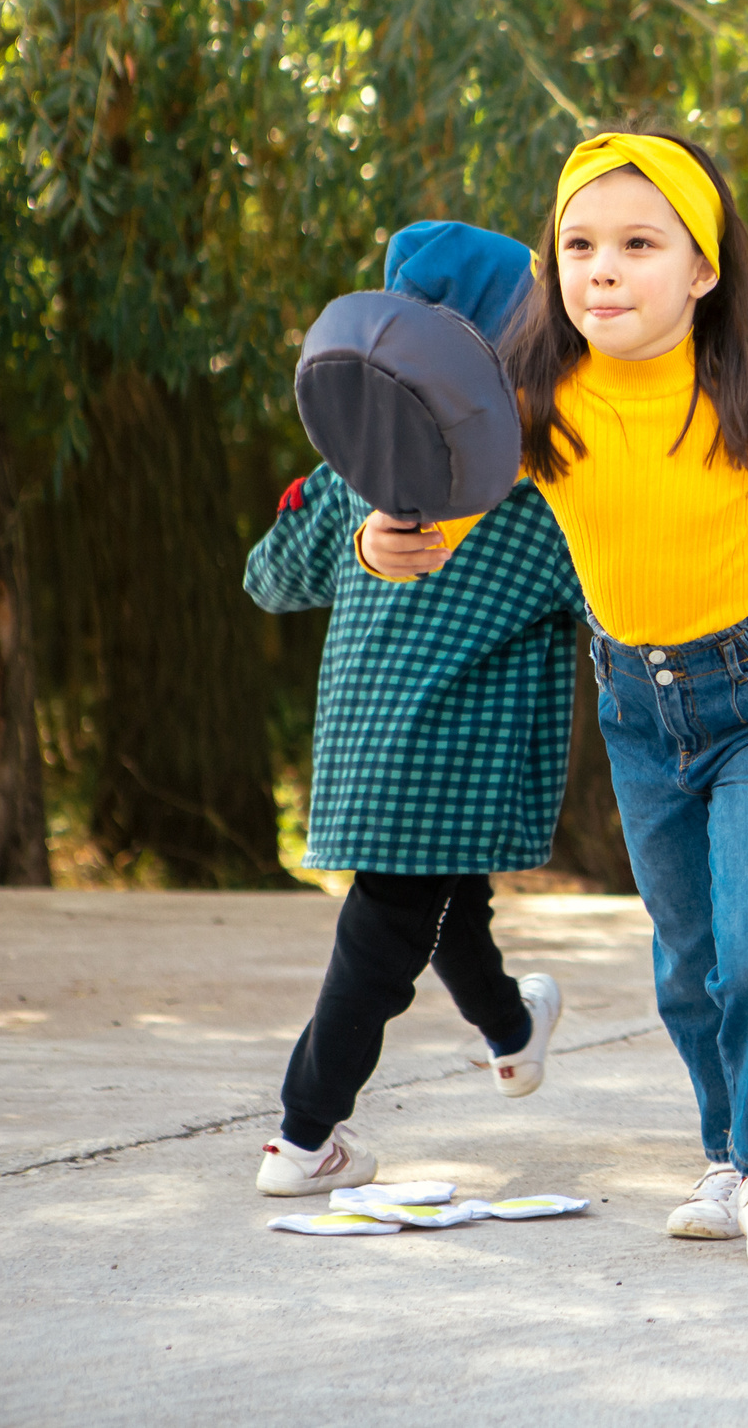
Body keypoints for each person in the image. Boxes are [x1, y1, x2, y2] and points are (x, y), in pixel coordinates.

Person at [378, 132, 748, 1270]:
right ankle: (727, 1154)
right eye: (579, 245)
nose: (604, 268)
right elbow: (436, 521)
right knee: (688, 963)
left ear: (702, 271)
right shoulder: (535, 403)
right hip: (641, 706)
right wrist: (387, 540)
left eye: (639, 245)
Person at [246, 222, 581, 1197]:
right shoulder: (544, 499)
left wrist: (347, 530)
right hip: (456, 766)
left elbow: (267, 577)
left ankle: (512, 1033)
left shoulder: (355, 475)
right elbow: (622, 598)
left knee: (446, 904)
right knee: (383, 945)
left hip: (368, 758)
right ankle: (303, 1136)